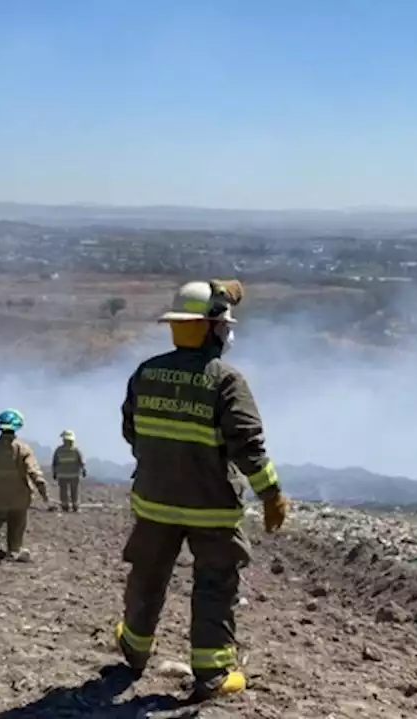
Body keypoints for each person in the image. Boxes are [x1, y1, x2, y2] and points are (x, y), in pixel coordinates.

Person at [115, 278, 291, 702]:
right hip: (212, 509)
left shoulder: (147, 372)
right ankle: (212, 675)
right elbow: (249, 447)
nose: (228, 332)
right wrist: (271, 495)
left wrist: (164, 462)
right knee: (215, 584)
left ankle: (135, 650)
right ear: (209, 327)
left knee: (148, 574)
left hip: (154, 502)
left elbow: (131, 432)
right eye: (224, 325)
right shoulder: (226, 380)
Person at [0, 408, 49, 561]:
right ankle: (14, 550)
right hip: (18, 497)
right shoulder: (23, 449)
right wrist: (43, 491)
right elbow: (34, 472)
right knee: (16, 523)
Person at [51, 429, 87, 512]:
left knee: (65, 491)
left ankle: (66, 505)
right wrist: (83, 470)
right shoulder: (76, 450)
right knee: (73, 491)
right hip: (73, 475)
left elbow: (55, 462)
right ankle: (73, 506)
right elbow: (81, 461)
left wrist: (54, 473)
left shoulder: (59, 450)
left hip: (64, 475)